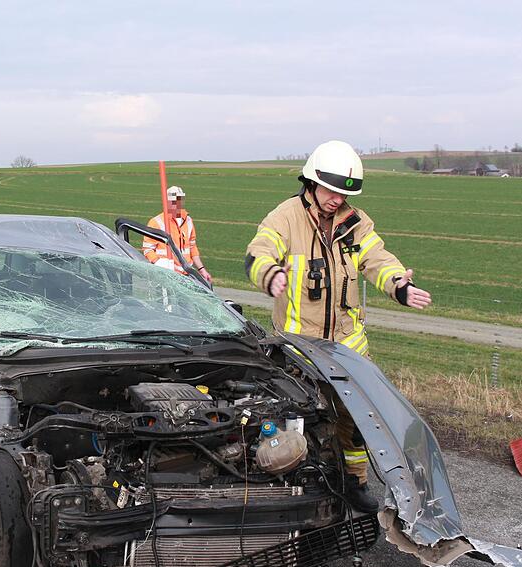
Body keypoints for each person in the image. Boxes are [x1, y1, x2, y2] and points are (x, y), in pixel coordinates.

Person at [244, 140, 432, 512]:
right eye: (331, 190)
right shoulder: (286, 217)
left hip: (349, 345)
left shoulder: (356, 223)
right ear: (311, 183)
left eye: (344, 193)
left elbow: (379, 259)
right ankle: (295, 482)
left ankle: (354, 481)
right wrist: (269, 275)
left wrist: (400, 285)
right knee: (297, 415)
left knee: (357, 419)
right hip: (299, 346)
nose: (336, 199)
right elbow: (257, 252)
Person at [144, 186, 212, 282]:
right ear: (166, 202)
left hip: (186, 274)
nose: (176, 204)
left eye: (178, 200)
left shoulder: (188, 220)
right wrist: (158, 262)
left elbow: (192, 247)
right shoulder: (156, 222)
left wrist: (202, 269)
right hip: (166, 275)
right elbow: (148, 249)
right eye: (173, 201)